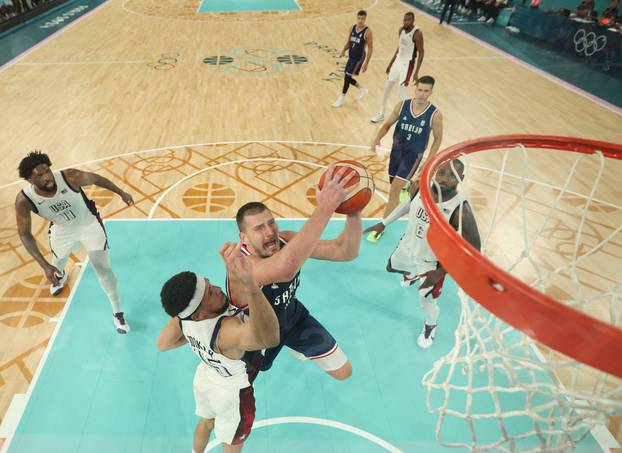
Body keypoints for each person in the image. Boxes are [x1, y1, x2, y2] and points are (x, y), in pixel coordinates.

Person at [231, 166, 361, 380]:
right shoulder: (241, 265)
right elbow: (285, 268)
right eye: (259, 228)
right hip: (260, 335)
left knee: (344, 372)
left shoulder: (286, 240)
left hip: (292, 317)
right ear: (243, 238)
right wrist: (326, 206)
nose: (270, 232)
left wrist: (353, 209)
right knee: (246, 384)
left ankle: (295, 344)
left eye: (271, 222)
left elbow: (345, 251)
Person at [157, 243, 280, 453]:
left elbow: (163, 344)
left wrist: (192, 338)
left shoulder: (183, 318)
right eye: (211, 294)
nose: (217, 289)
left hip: (206, 380)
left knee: (206, 423)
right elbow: (269, 338)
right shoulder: (228, 331)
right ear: (198, 315)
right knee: (231, 446)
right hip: (233, 395)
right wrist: (249, 285)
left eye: (210, 285)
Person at [363, 159, 481, 348]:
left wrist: (441, 272)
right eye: (441, 172)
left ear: (461, 178)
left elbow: (474, 249)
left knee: (425, 299)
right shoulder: (422, 188)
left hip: (431, 264)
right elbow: (408, 204)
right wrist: (383, 223)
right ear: (435, 172)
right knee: (391, 267)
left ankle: (431, 325)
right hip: (408, 247)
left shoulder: (461, 209)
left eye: (452, 175)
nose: (444, 179)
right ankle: (411, 275)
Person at [15, 151, 132, 333]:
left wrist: (121, 192)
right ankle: (60, 277)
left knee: (103, 268)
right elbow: (24, 234)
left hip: (89, 225)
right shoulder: (24, 200)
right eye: (40, 175)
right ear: (29, 180)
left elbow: (97, 179)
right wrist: (44, 265)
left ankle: (117, 312)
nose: (47, 177)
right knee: (57, 263)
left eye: (48, 171)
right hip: (61, 230)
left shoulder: (70, 177)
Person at [369, 75, 443, 243]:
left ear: (431, 92)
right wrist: (377, 138)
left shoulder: (435, 115)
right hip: (397, 151)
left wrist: (428, 161)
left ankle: (383, 226)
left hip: (413, 155)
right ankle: (408, 189)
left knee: (394, 188)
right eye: (419, 90)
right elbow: (387, 124)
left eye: (426, 91)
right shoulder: (402, 105)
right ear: (415, 88)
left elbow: (438, 138)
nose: (422, 94)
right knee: (395, 184)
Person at [371, 11, 425, 123]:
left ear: (413, 20)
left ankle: (412, 116)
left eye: (409, 20)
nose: (406, 22)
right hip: (398, 61)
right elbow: (399, 48)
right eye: (405, 20)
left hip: (408, 63)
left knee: (401, 92)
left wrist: (416, 73)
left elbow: (421, 52)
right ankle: (381, 113)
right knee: (387, 87)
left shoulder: (417, 33)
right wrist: (391, 63)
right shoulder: (401, 30)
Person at [332, 10, 373, 108]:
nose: (360, 20)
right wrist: (343, 50)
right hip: (351, 56)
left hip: (359, 58)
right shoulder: (352, 28)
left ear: (365, 19)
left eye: (362, 19)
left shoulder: (367, 32)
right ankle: (361, 89)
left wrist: (366, 63)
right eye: (359, 18)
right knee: (347, 77)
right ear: (357, 18)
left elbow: (371, 48)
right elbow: (349, 42)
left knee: (347, 77)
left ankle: (342, 98)